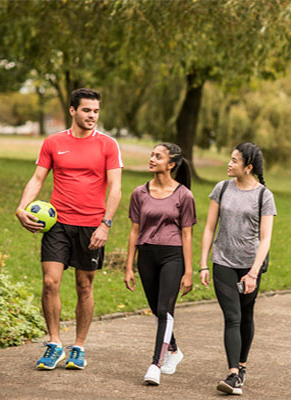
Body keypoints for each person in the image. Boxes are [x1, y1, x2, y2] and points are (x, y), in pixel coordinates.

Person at [16, 88, 122, 370]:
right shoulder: (53, 142)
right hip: (57, 224)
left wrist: (106, 225)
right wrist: (21, 207)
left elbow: (116, 188)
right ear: (73, 110)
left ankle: (79, 347)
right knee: (50, 282)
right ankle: (53, 343)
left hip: (91, 226)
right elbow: (38, 178)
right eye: (87, 110)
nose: (92, 116)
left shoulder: (108, 145)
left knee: (84, 285)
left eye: (96, 111)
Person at [199, 142, 276, 395]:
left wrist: (253, 272)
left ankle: (242, 366)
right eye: (230, 159)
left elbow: (265, 239)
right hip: (222, 261)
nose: (229, 164)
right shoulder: (221, 189)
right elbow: (209, 228)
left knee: (246, 315)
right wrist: (203, 264)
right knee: (232, 316)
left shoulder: (264, 195)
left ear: (249, 167)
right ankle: (233, 375)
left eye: (234, 160)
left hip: (250, 265)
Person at [124, 143, 196, 386]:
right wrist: (128, 266)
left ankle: (155, 363)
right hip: (146, 255)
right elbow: (134, 231)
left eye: (158, 156)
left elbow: (187, 235)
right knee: (157, 310)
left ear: (171, 164)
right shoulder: (139, 193)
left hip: (172, 256)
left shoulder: (184, 195)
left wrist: (188, 271)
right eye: (152, 154)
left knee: (164, 310)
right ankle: (174, 350)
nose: (152, 158)